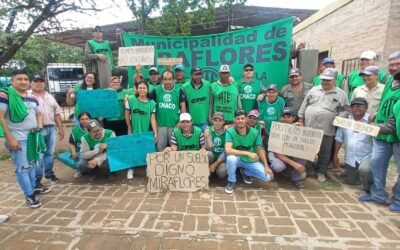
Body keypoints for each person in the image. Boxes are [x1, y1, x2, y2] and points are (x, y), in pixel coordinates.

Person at [359, 51, 400, 212]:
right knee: (377, 164)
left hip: (395, 133)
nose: (394, 67)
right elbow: (385, 101)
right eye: (391, 65)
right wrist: (377, 114)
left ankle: (397, 198)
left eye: (398, 64)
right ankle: (378, 194)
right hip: (382, 134)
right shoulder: (390, 81)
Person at [0, 69, 44, 208]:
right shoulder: (5, 95)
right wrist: (10, 138)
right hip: (18, 138)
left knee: (31, 167)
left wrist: (39, 127)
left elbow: (39, 114)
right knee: (23, 168)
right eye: (19, 79)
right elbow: (0, 117)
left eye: (25, 79)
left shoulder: (32, 97)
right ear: (12, 81)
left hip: (32, 137)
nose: (23, 81)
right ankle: (30, 196)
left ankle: (31, 190)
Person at [298, 68, 349, 182]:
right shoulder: (314, 90)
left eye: (328, 80)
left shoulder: (341, 94)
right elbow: (304, 104)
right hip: (310, 126)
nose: (325, 82)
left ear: (335, 80)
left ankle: (321, 171)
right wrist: (301, 119)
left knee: (325, 151)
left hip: (327, 128)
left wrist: (339, 118)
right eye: (323, 80)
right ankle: (309, 169)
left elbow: (346, 109)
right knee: (307, 149)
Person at [224, 110, 274, 194]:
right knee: (230, 158)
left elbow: (260, 149)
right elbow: (228, 150)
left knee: (268, 177)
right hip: (238, 158)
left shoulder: (255, 132)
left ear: (246, 119)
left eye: (242, 118)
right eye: (238, 118)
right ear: (234, 120)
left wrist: (266, 166)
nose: (240, 121)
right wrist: (247, 153)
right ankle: (231, 181)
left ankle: (246, 172)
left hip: (250, 160)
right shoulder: (230, 131)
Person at [30, 73, 64, 187]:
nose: (39, 83)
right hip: (37, 130)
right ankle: (37, 180)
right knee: (38, 155)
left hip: (51, 128)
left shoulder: (49, 96)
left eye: (41, 81)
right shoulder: (28, 96)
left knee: (49, 153)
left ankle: (49, 174)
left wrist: (60, 128)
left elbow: (57, 113)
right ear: (31, 83)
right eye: (36, 81)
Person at [333, 98, 372, 190]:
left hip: (367, 156)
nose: (357, 108)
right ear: (350, 108)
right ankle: (349, 170)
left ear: (366, 108)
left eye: (360, 105)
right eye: (354, 106)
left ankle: (368, 188)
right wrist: (335, 155)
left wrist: (371, 124)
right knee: (352, 182)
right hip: (351, 157)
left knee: (365, 170)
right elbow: (339, 138)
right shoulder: (345, 121)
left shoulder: (372, 120)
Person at [125, 80, 157, 179]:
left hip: (146, 130)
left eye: (144, 88)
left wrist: (155, 132)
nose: (142, 90)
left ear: (147, 90)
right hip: (134, 129)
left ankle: (148, 168)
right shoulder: (130, 99)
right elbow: (126, 115)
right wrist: (129, 128)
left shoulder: (152, 103)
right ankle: (130, 169)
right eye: (140, 88)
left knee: (148, 149)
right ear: (136, 89)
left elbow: (152, 118)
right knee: (132, 149)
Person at [268, 107, 307, 189]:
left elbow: (305, 148)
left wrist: (302, 131)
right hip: (277, 153)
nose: (286, 119)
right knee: (278, 166)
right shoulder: (276, 129)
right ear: (280, 118)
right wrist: (294, 164)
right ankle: (286, 171)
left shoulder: (298, 128)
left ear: (293, 118)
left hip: (291, 153)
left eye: (288, 117)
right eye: (284, 117)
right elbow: (279, 155)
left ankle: (295, 178)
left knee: (305, 154)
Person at [151, 70, 186, 152]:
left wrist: (181, 121)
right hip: (160, 126)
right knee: (159, 149)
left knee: (175, 150)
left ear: (173, 80)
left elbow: (183, 107)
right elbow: (151, 109)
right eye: (165, 79)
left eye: (170, 79)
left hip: (175, 125)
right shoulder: (156, 90)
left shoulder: (179, 90)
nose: (167, 81)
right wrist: (155, 122)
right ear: (162, 80)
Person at [58, 112, 91, 176]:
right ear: (79, 120)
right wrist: (73, 153)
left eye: (86, 119)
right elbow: (71, 143)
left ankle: (94, 171)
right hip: (81, 153)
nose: (84, 121)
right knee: (81, 163)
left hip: (94, 152)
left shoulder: (95, 128)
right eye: (82, 119)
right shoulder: (75, 130)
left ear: (90, 119)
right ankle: (80, 169)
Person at [182, 67, 211, 131]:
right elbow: (182, 106)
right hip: (191, 123)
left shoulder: (208, 85)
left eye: (200, 74)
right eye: (196, 74)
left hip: (205, 123)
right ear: (191, 75)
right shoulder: (184, 87)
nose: (198, 76)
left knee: (207, 140)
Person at [209, 112, 227, 179]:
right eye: (215, 120)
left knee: (221, 173)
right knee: (209, 154)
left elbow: (226, 152)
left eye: (220, 120)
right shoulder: (208, 130)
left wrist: (215, 164)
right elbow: (209, 148)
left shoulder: (227, 133)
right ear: (212, 121)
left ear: (223, 122)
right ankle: (208, 171)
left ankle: (214, 170)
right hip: (212, 157)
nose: (217, 123)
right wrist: (206, 138)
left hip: (221, 159)